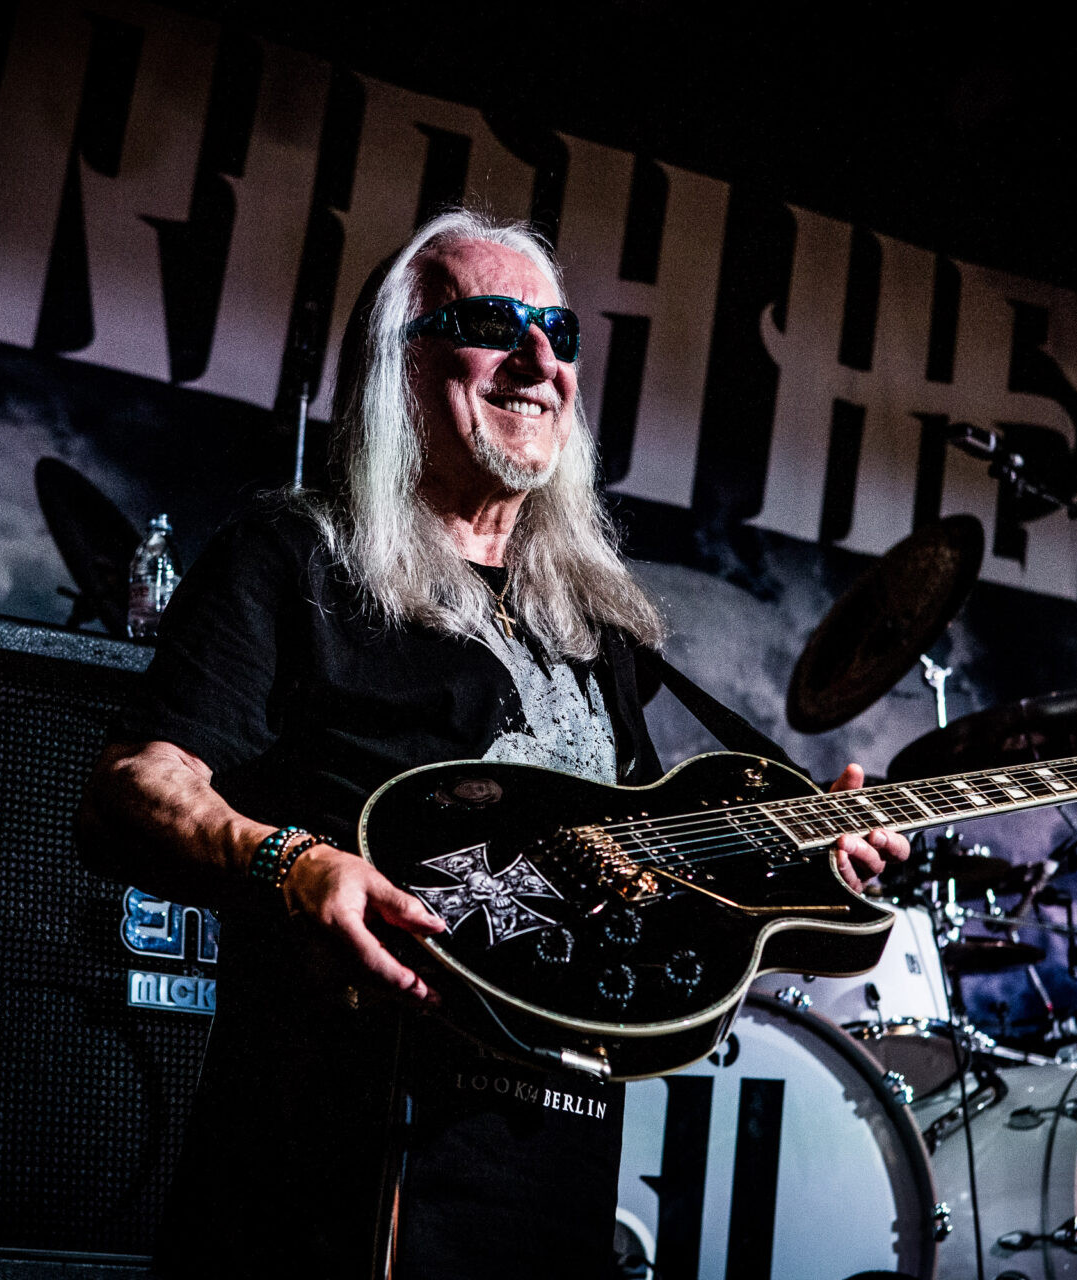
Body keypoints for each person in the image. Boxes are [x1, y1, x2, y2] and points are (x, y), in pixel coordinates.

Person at [76, 207, 907, 1278]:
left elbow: (644, 877)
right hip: (334, 1169)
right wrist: (292, 861)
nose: (540, 360)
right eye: (489, 325)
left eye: (558, 332)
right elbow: (133, 784)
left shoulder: (594, 628)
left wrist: (801, 858)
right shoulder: (294, 558)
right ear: (399, 365)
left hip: (554, 1168)